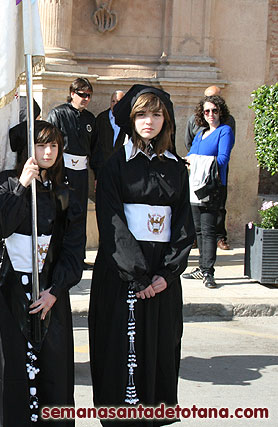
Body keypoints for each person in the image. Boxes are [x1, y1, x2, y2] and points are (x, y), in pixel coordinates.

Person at [89, 85, 194, 425]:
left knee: (160, 348)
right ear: (131, 119)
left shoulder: (177, 168)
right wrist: (138, 274)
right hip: (123, 275)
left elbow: (182, 226)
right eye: (142, 115)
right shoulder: (114, 167)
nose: (149, 122)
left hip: (162, 278)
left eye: (157, 114)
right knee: (120, 351)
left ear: (167, 120)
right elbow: (113, 224)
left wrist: (166, 274)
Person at [0, 120, 84, 426]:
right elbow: (1, 226)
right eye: (41, 145)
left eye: (54, 145)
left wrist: (55, 291)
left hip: (49, 292)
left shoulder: (65, 189)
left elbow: (73, 248)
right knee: (11, 367)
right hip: (11, 290)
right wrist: (22, 184)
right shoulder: (6, 182)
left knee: (53, 371)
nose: (48, 152)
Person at [182, 95, 235, 289]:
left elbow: (222, 159)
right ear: (202, 114)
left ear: (221, 112)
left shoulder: (225, 131)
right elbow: (191, 156)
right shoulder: (200, 133)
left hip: (212, 187)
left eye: (214, 110)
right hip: (195, 186)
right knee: (198, 231)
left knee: (209, 230)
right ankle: (201, 267)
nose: (211, 114)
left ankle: (208, 272)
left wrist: (196, 161)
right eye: (207, 111)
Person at [47, 77, 96, 269]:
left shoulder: (90, 119)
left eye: (89, 96)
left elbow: (95, 148)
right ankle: (58, 255)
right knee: (61, 212)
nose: (85, 99)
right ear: (72, 93)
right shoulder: (58, 114)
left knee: (79, 213)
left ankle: (78, 257)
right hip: (62, 171)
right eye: (82, 94)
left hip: (81, 172)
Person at [90, 90, 125, 174]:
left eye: (118, 101)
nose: (115, 104)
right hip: (102, 168)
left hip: (120, 169)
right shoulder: (101, 119)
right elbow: (95, 147)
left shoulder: (127, 121)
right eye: (113, 101)